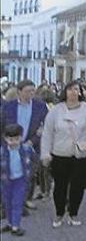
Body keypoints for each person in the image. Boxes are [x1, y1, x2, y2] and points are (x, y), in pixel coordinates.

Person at [40, 81, 86, 228]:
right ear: (65, 92)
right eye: (70, 89)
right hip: (60, 153)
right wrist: (45, 153)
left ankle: (73, 213)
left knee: (77, 186)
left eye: (76, 90)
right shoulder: (56, 110)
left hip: (80, 154)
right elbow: (47, 133)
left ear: (80, 92)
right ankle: (60, 213)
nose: (73, 92)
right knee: (60, 186)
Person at [1, 79, 49, 210]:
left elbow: (46, 125)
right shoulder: (8, 106)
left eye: (33, 91)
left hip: (30, 144)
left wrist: (35, 139)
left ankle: (27, 198)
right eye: (28, 91)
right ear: (19, 92)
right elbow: (2, 125)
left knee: (29, 173)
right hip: (10, 144)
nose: (31, 94)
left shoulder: (40, 106)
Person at [1, 123, 34, 236]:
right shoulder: (2, 152)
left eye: (17, 139)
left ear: (21, 137)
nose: (14, 142)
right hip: (6, 181)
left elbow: (34, 161)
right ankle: (10, 223)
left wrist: (30, 174)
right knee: (7, 202)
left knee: (17, 202)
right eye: (10, 139)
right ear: (5, 139)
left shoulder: (26, 149)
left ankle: (16, 226)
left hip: (20, 180)